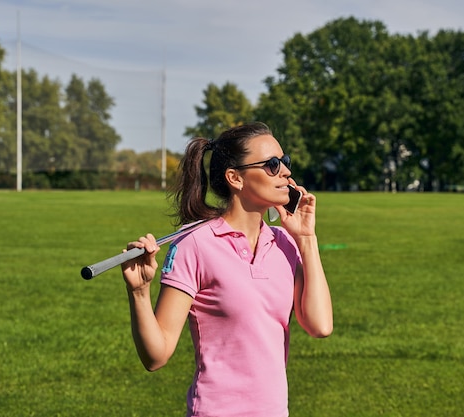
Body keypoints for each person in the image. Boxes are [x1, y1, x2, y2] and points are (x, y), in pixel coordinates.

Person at [121, 122, 333, 417]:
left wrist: (307, 239)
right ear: (235, 178)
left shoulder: (285, 242)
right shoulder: (195, 244)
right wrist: (139, 292)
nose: (285, 172)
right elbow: (156, 356)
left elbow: (320, 326)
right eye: (272, 165)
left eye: (285, 162)